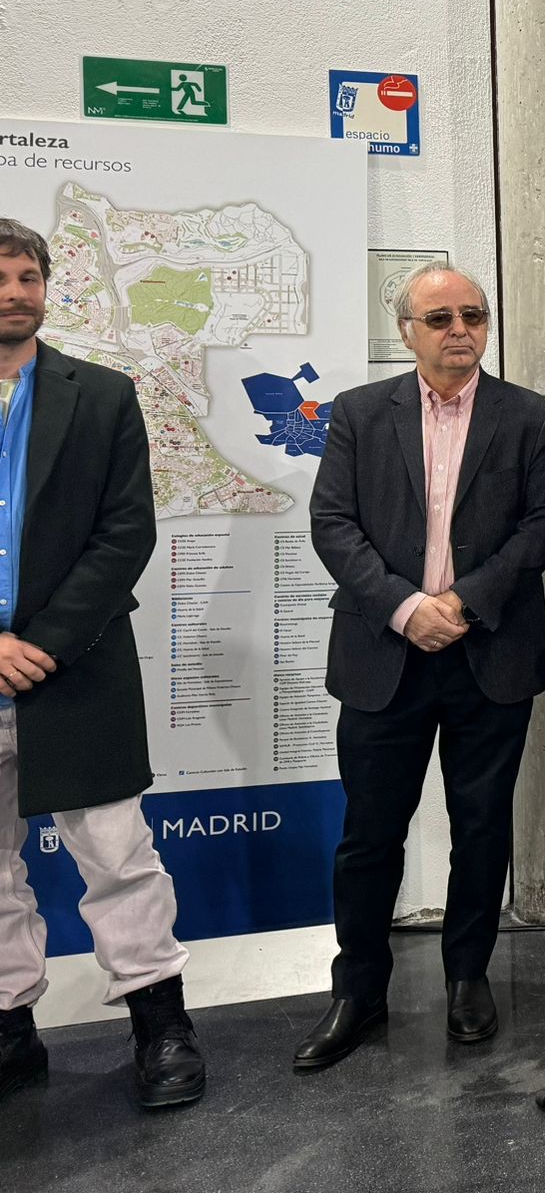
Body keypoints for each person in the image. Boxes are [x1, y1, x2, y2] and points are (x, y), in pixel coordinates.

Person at [294, 263, 545, 1070]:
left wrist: (464, 603)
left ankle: (468, 977)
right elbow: (333, 523)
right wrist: (408, 607)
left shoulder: (530, 416)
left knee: (481, 827)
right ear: (406, 331)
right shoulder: (358, 412)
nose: (460, 331)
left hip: (490, 651)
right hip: (385, 653)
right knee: (370, 833)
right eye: (441, 318)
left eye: (473, 316)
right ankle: (358, 991)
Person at [0, 217, 204, 1110]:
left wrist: (42, 643)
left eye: (27, 276)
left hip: (76, 664)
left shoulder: (105, 395)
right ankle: (10, 1031)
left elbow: (126, 533)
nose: (15, 293)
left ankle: (161, 1027)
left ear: (47, 286)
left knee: (119, 855)